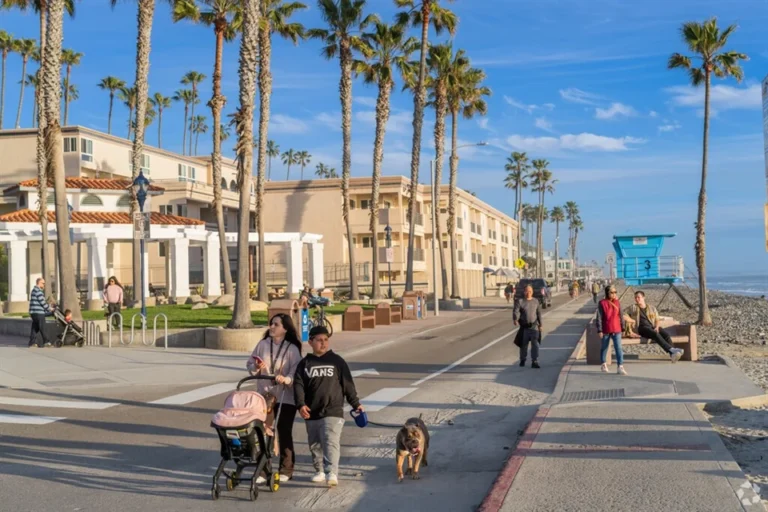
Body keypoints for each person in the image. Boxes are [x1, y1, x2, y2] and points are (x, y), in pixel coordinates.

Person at [294, 325, 364, 488]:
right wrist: (301, 405)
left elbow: (348, 385)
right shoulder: (305, 364)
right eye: (319, 340)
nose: (323, 343)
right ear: (310, 342)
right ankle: (319, 471)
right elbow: (298, 385)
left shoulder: (337, 361)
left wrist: (356, 404)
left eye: (326, 340)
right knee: (315, 443)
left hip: (333, 410)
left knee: (330, 440)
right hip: (312, 411)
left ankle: (331, 471)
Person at [246, 313, 303, 483]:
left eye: (276, 324)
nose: (271, 327)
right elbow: (250, 364)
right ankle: (263, 470)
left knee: (284, 431)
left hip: (285, 396)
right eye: (271, 324)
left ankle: (286, 468)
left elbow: (296, 370)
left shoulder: (292, 348)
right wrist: (255, 366)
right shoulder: (263, 345)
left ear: (285, 328)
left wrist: (287, 379)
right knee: (264, 432)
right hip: (264, 396)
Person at [624, 291, 684, 363]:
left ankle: (672, 354)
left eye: (638, 297)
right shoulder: (633, 308)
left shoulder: (652, 308)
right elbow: (623, 315)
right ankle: (672, 350)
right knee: (655, 334)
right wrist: (632, 320)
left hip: (652, 327)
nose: (637, 299)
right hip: (642, 328)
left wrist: (657, 326)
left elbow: (657, 319)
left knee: (666, 335)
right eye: (635, 298)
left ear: (643, 298)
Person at [595, 286, 627, 375]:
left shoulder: (617, 302)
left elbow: (621, 316)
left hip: (617, 329)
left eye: (615, 292)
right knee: (604, 347)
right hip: (605, 329)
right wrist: (599, 330)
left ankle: (620, 366)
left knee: (618, 348)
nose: (614, 294)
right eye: (612, 292)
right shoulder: (602, 303)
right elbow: (599, 317)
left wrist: (623, 327)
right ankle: (603, 364)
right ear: (607, 293)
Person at [513, 285, 542, 369]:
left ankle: (534, 361)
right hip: (524, 328)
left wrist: (541, 324)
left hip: (534, 327)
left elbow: (539, 314)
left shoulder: (536, 301)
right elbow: (516, 311)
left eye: (530, 291)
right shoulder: (520, 301)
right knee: (523, 345)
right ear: (524, 292)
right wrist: (515, 319)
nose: (528, 293)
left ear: (532, 292)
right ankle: (522, 359)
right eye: (526, 291)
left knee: (535, 344)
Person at [28, 278, 54, 348]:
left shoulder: (33, 291)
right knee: (43, 327)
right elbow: (42, 303)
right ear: (39, 283)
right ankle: (46, 342)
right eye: (43, 283)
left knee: (35, 328)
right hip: (39, 313)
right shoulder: (39, 292)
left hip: (33, 312)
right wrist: (49, 308)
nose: (44, 284)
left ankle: (32, 343)